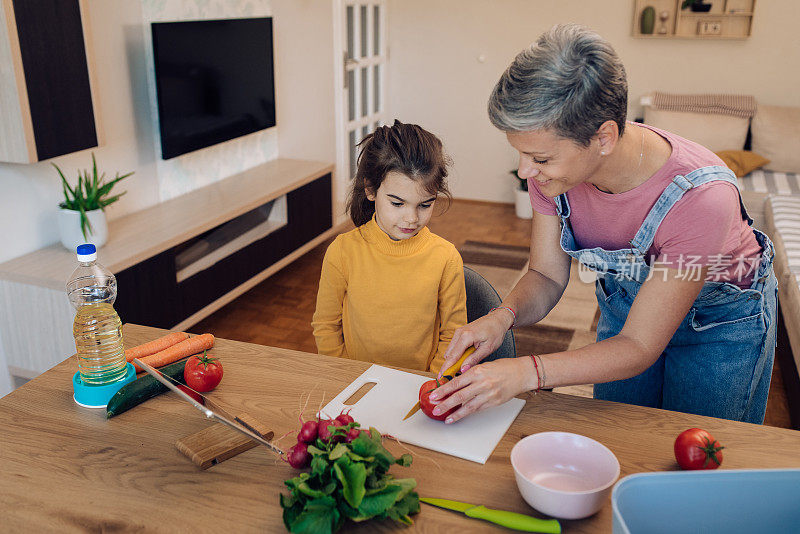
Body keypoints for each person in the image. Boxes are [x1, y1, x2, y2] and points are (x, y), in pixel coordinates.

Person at [430, 24, 777, 424]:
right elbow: (545, 274)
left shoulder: (700, 198)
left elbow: (640, 344)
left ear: (605, 137)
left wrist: (528, 372)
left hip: (720, 325)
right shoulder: (557, 177)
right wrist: (501, 316)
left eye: (540, 158)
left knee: (697, 462)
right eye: (521, 155)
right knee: (619, 437)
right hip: (628, 307)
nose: (526, 172)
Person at [312, 120, 467, 372]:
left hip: (420, 387)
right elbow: (326, 325)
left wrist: (430, 382)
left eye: (425, 204)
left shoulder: (446, 257)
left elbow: (454, 334)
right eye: (397, 203)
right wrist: (344, 375)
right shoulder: (342, 251)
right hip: (354, 384)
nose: (411, 218)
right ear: (371, 190)